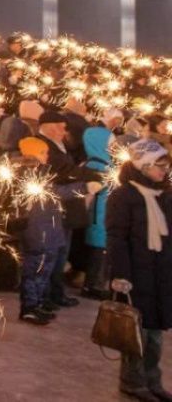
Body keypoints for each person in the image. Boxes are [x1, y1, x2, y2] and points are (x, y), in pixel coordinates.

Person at [106, 139, 172, 402]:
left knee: (156, 332)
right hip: (135, 274)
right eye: (159, 166)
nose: (164, 171)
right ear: (143, 166)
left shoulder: (164, 195)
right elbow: (117, 238)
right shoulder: (123, 196)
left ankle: (153, 380)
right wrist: (120, 275)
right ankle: (132, 381)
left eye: (166, 166)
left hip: (161, 273)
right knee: (136, 331)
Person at [15, 137, 98, 325]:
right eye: (42, 152)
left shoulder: (40, 172)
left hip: (48, 227)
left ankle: (38, 303)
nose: (47, 155)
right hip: (37, 229)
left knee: (43, 270)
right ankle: (29, 307)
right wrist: (84, 187)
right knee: (35, 270)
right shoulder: (28, 174)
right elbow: (55, 192)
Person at [81, 126, 114, 300]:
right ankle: (93, 284)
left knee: (101, 250)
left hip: (103, 213)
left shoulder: (104, 163)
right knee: (99, 250)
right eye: (110, 144)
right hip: (99, 215)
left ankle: (95, 283)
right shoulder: (97, 166)